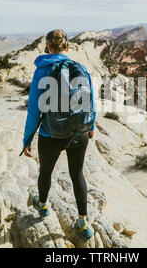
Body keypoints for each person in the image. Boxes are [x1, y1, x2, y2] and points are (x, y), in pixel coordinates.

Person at [22, 29, 96, 241]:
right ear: (67, 48)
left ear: (47, 48)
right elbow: (90, 100)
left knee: (45, 172)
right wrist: (91, 125)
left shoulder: (41, 71)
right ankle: (83, 222)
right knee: (77, 175)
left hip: (51, 134)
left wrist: (27, 139)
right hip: (78, 134)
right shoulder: (80, 68)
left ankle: (43, 206)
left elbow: (34, 110)